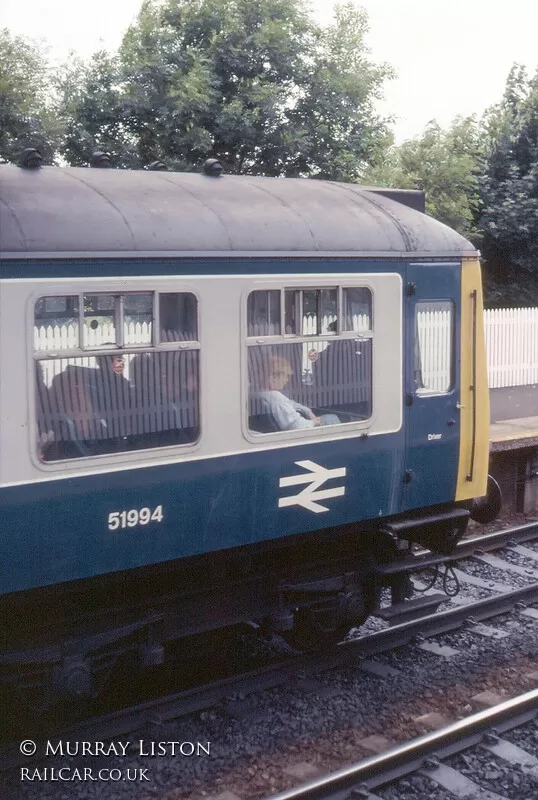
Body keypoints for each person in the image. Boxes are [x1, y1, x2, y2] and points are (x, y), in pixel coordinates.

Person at [255, 354, 339, 431]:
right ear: (273, 377)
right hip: (301, 432)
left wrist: (307, 411)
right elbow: (295, 425)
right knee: (331, 418)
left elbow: (291, 403)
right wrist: (313, 422)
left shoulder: (260, 395)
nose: (287, 380)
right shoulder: (275, 398)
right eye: (285, 376)